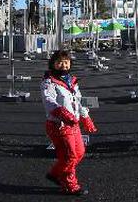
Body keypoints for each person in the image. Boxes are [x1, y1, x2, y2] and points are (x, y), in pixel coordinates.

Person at [42, 50, 97, 196]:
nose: (63, 65)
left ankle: (55, 174)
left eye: (66, 62)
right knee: (69, 156)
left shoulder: (72, 81)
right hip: (58, 125)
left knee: (80, 152)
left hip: (74, 124)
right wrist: (61, 112)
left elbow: (78, 100)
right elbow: (49, 101)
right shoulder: (49, 82)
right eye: (59, 62)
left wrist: (86, 117)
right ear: (53, 64)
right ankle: (70, 185)